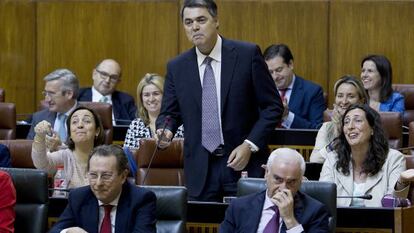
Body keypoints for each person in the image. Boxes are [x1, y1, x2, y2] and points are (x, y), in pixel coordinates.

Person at [156, 0, 282, 202]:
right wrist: (165, 129)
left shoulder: (247, 54)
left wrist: (249, 145)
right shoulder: (177, 67)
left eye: (201, 20)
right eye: (188, 22)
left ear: (216, 21)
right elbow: (170, 114)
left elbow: (272, 107)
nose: (194, 27)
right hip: (200, 169)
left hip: (242, 163)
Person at [49, 145, 156, 233]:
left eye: (106, 176)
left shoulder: (142, 200)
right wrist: (67, 231)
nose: (98, 183)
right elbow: (55, 230)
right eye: (93, 175)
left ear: (123, 176)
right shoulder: (79, 197)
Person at [319, 104, 410, 207]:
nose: (350, 127)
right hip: (339, 222)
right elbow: (323, 200)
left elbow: (394, 206)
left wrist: (401, 183)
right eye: (346, 122)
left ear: (372, 129)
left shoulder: (394, 159)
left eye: (358, 120)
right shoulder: (333, 159)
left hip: (380, 222)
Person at [220, 148, 330, 232]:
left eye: (291, 182)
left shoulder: (316, 212)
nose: (283, 188)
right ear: (266, 173)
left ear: (301, 181)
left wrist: (290, 220)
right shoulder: (238, 207)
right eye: (278, 179)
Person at [31, 106, 105, 188]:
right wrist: (39, 136)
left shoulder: (106, 159)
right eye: (74, 122)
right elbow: (41, 164)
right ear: (70, 134)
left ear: (97, 131)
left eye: (87, 121)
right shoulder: (64, 156)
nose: (80, 125)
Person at [263, 44, 326, 129]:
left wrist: (287, 116)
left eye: (279, 70)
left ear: (290, 64)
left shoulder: (313, 91)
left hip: (297, 142)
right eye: (270, 72)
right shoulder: (262, 90)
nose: (275, 77)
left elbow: (316, 130)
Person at [310, 75, 368, 163]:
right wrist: (335, 142)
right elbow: (315, 160)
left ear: (361, 101)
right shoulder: (327, 127)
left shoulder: (368, 127)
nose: (344, 101)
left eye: (351, 96)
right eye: (340, 96)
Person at [124, 73, 183, 149]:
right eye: (146, 95)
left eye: (156, 93)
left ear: (166, 96)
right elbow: (127, 156)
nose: (151, 99)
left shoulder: (180, 125)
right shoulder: (136, 125)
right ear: (141, 99)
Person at [27, 69, 79, 147]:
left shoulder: (88, 117)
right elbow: (29, 150)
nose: (47, 99)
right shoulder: (39, 118)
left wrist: (61, 147)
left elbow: (91, 151)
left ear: (69, 94)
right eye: (45, 93)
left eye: (51, 94)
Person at [78, 59, 137, 125]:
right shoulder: (78, 96)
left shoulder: (126, 101)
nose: (107, 80)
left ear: (118, 81)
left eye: (113, 77)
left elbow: (136, 126)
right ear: (94, 74)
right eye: (104, 74)